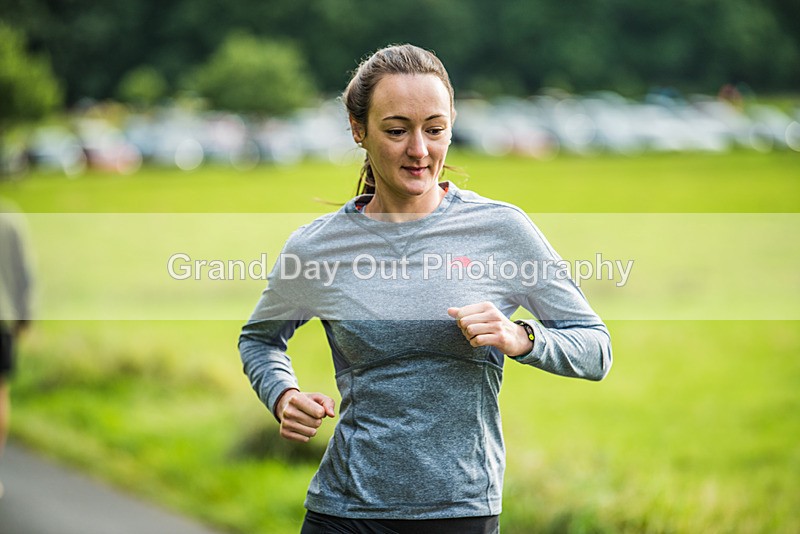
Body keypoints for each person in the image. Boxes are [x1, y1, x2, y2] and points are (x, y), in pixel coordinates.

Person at [239, 43, 612, 533]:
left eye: (434, 130)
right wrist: (283, 395)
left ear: (451, 127)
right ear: (358, 130)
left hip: (460, 513)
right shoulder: (318, 248)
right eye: (397, 131)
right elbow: (260, 340)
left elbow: (596, 348)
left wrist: (521, 338)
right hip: (344, 513)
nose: (419, 150)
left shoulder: (501, 231)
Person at [0, 200, 34, 498]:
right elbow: (26, 275)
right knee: (0, 394)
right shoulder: (10, 219)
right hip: (3, 320)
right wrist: (25, 319)